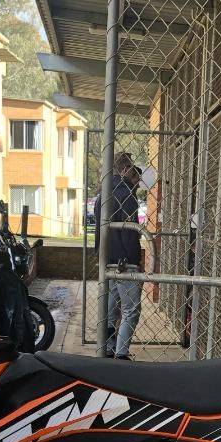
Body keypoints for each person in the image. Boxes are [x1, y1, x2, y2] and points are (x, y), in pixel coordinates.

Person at [94, 153, 142, 359]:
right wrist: (135, 261)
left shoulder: (102, 195)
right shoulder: (126, 196)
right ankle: (121, 354)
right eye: (135, 178)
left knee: (111, 310)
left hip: (107, 259)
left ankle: (108, 348)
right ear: (125, 170)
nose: (137, 186)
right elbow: (130, 234)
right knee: (131, 310)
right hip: (124, 262)